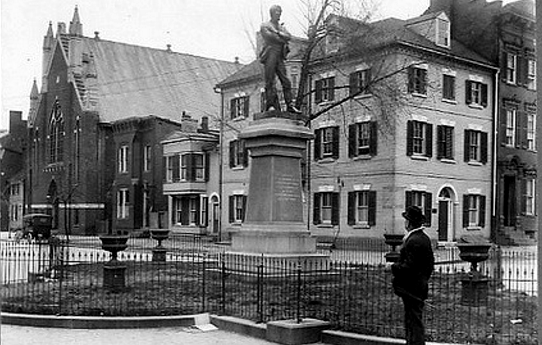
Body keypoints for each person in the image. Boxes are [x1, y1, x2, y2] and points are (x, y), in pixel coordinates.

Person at [391, 206, 435, 345]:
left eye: (406, 220)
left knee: (413, 322)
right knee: (412, 320)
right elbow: (429, 266)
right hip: (419, 286)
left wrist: (393, 267)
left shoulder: (413, 240)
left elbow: (409, 267)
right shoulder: (424, 238)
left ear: (409, 223)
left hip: (411, 288)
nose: (404, 223)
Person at [260, 5, 301, 114]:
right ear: (272, 13)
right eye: (276, 11)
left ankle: (290, 105)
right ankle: (270, 105)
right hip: (270, 53)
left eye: (280, 12)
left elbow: (288, 37)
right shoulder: (265, 25)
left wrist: (277, 33)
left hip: (280, 55)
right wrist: (280, 38)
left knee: (286, 81)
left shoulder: (281, 27)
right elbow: (269, 37)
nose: (278, 14)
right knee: (270, 81)